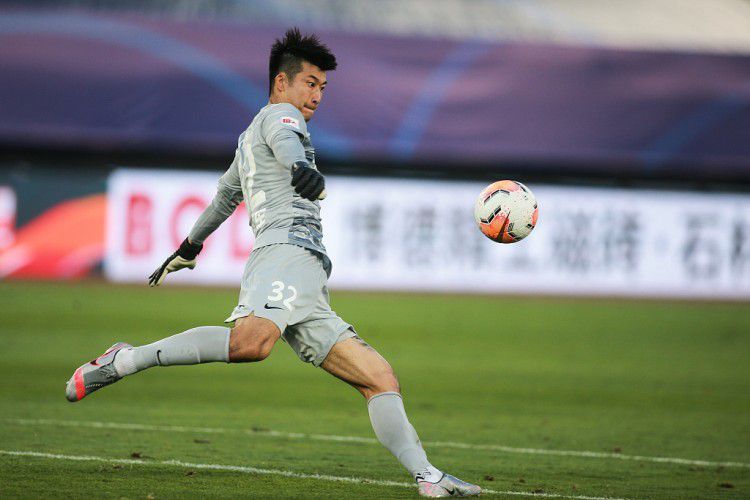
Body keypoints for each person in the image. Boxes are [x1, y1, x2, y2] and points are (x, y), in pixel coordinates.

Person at [65, 28, 481, 498]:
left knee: (378, 377)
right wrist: (301, 168)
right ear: (281, 83)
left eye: (324, 87)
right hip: (284, 252)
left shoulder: (249, 138)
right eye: (310, 82)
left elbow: (225, 197)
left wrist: (189, 246)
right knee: (252, 343)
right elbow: (286, 147)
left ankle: (428, 478)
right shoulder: (281, 118)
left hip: (308, 276)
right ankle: (126, 359)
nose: (317, 95)